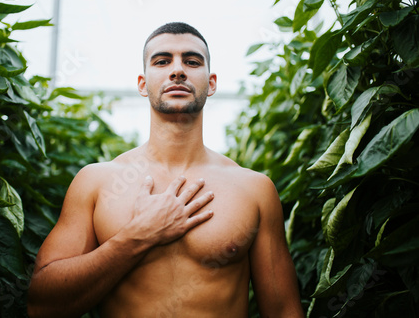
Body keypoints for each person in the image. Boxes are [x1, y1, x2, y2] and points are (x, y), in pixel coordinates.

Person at [27, 22, 304, 318]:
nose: (177, 70)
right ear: (143, 84)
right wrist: (137, 236)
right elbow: (42, 305)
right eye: (162, 61)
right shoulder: (96, 182)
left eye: (191, 61)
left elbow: (283, 310)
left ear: (211, 83)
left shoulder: (254, 189)